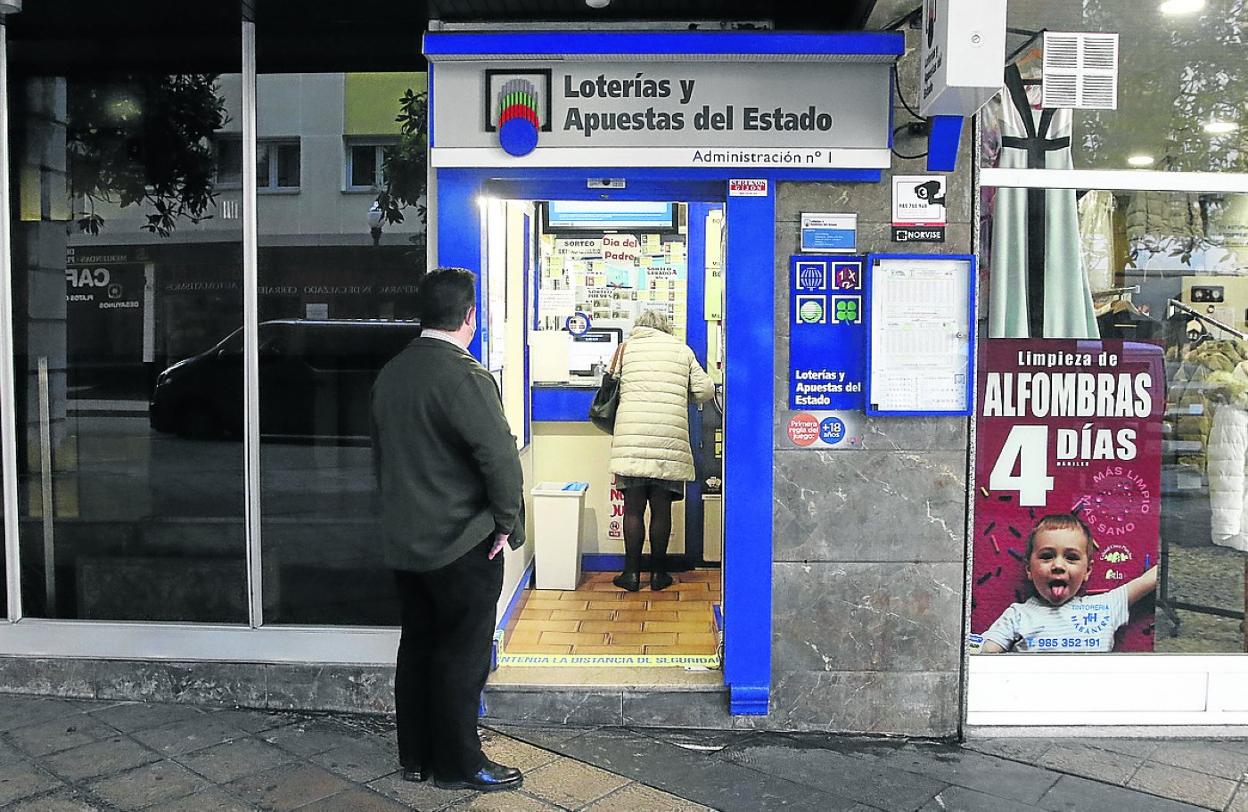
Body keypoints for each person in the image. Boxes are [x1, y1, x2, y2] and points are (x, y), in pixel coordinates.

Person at [370, 267, 525, 792]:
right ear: (470, 316)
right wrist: (508, 522)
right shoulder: (465, 375)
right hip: (460, 543)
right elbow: (499, 456)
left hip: (405, 544)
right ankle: (460, 764)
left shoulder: (392, 372)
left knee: (417, 648)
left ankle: (416, 758)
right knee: (463, 654)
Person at [608, 309, 715, 591]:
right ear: (666, 327)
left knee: (632, 508)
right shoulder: (681, 350)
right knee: (661, 507)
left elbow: (609, 384)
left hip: (632, 438)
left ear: (639, 326)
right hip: (669, 439)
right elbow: (705, 391)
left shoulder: (625, 349)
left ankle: (631, 575)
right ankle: (658, 574)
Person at [980, 513, 1158, 653]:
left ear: (1087, 570)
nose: (1058, 565)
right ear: (1029, 569)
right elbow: (984, 656)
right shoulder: (1017, 615)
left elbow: (1150, 579)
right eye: (1047, 556)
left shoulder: (1105, 606)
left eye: (1071, 558)